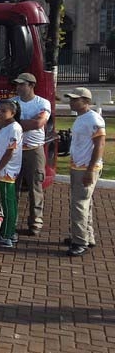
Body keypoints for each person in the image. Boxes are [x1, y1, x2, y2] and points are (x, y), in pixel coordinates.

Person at [64, 87, 105, 257]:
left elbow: (100, 145)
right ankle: (87, 236)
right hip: (78, 166)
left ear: (86, 101)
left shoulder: (93, 119)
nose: (71, 102)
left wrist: (89, 169)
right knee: (84, 203)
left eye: (75, 99)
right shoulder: (81, 118)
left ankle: (80, 241)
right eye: (71, 99)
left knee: (79, 205)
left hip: (86, 168)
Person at [12, 72, 51, 236]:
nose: (19, 87)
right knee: (13, 187)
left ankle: (35, 222)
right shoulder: (13, 102)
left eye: (22, 84)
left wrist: (16, 123)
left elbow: (39, 122)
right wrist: (28, 123)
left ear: (31, 85)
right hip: (15, 149)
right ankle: (11, 221)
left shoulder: (42, 102)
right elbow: (4, 123)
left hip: (34, 150)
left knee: (35, 187)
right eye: (18, 84)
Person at [0, 99, 23, 248]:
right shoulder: (4, 126)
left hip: (7, 170)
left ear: (13, 112)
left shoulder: (14, 128)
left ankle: (6, 235)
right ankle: (9, 232)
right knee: (7, 201)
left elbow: (10, 151)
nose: (0, 113)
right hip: (4, 168)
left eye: (4, 111)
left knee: (7, 202)